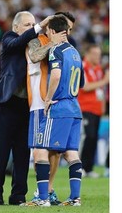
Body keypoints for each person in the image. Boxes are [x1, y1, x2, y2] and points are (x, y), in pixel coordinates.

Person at [0, 11, 54, 206]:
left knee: (22, 154)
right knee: (1, 152)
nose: (32, 27)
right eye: (27, 24)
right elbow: (17, 43)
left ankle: (18, 195)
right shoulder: (9, 39)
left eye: (32, 23)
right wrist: (40, 25)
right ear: (15, 27)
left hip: (27, 106)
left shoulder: (36, 44)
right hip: (7, 103)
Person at [21, 15, 84, 207]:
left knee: (40, 149)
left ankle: (43, 198)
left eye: (48, 31)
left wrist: (48, 98)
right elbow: (81, 82)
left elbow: (55, 74)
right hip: (75, 108)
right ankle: (75, 199)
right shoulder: (75, 52)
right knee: (71, 153)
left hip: (59, 106)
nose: (46, 33)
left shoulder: (56, 49)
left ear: (53, 31)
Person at [77, 45, 109, 178]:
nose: (98, 57)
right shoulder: (83, 67)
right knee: (87, 137)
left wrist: (102, 106)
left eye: (99, 54)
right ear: (88, 53)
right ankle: (80, 167)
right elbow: (86, 86)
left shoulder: (97, 69)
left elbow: (100, 91)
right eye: (95, 54)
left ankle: (89, 168)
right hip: (85, 108)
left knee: (94, 138)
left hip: (96, 110)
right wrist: (104, 81)